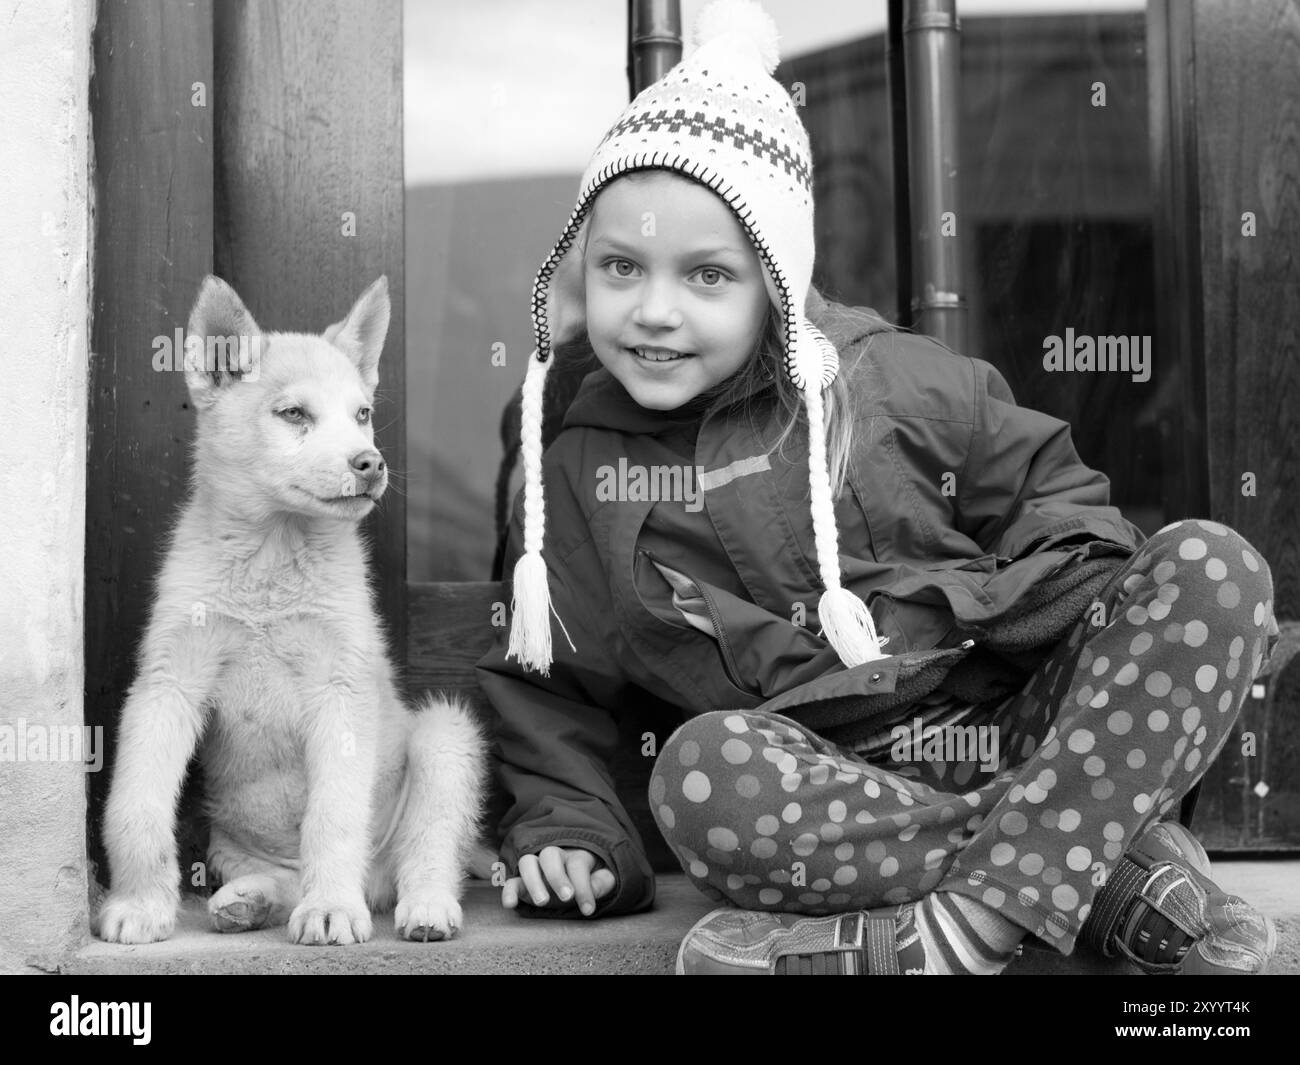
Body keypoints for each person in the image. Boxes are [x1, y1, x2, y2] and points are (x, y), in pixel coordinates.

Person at [475, 0, 1280, 975]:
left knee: (1212, 567)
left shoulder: (897, 382)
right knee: (696, 776)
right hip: (819, 781)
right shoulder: (581, 462)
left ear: (776, 275)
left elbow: (1062, 507)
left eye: (706, 277)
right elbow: (555, 685)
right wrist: (571, 832)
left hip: (1006, 727)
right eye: (619, 267)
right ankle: (1093, 872)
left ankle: (962, 929)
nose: (654, 310)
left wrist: (1013, 614)